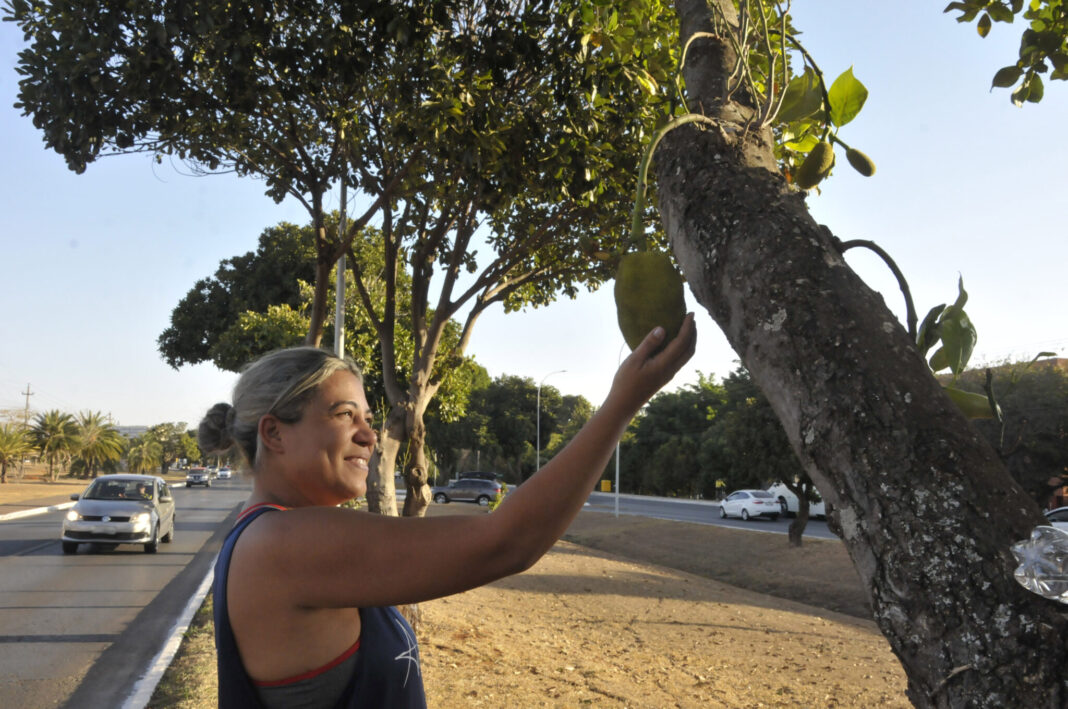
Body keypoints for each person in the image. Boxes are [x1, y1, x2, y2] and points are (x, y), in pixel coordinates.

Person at [197, 315, 696, 708]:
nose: (369, 435)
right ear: (274, 433)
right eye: (344, 415)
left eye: (368, 417)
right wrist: (622, 403)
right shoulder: (281, 544)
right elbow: (506, 542)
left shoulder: (282, 537)